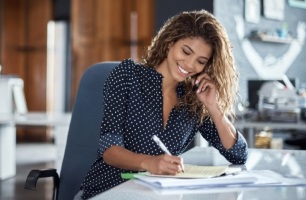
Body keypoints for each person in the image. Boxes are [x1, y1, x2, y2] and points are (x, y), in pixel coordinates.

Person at [74, 9, 248, 200]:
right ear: (169, 43)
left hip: (156, 195)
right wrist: (149, 162)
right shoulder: (127, 76)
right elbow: (109, 150)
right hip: (107, 191)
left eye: (200, 61)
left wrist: (214, 108)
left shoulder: (193, 100)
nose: (190, 64)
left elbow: (238, 155)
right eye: (186, 51)